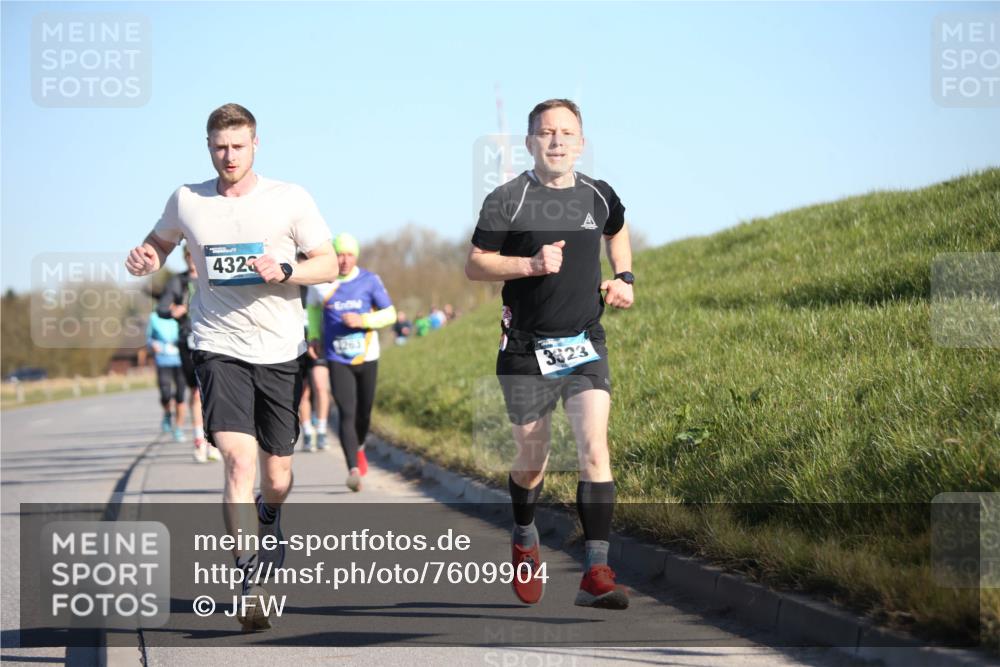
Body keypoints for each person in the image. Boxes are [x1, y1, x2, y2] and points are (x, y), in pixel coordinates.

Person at [125, 103, 337, 630]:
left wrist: (287, 268)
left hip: (280, 348)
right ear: (208, 147)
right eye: (220, 147)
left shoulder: (289, 198)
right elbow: (159, 242)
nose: (229, 156)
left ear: (255, 145)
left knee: (277, 475)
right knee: (239, 462)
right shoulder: (188, 199)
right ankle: (249, 577)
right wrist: (148, 256)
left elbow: (328, 262)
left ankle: (270, 515)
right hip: (217, 345)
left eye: (238, 146)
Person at [465, 99, 635, 610]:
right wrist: (530, 264)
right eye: (546, 133)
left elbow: (618, 230)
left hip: (583, 343)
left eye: (566, 132)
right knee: (533, 460)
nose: (557, 140)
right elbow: (476, 265)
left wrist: (623, 276)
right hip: (523, 349)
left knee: (594, 449)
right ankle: (523, 534)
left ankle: (596, 571)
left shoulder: (599, 195)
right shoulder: (507, 199)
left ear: (581, 143)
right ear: (530, 143)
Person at [309, 233, 395, 492]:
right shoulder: (321, 283)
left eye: (349, 255)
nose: (344, 260)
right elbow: (312, 309)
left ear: (356, 256)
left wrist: (364, 321)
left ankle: (358, 447)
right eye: (339, 254)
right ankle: (353, 470)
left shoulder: (370, 281)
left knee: (363, 413)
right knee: (346, 412)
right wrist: (314, 335)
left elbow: (389, 314)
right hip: (336, 357)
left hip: (367, 356)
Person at [157, 244, 218, 462]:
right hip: (189, 340)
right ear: (185, 257)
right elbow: (162, 309)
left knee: (214, 391)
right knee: (196, 393)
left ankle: (214, 440)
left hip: (215, 339)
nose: (193, 259)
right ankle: (200, 440)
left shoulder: (212, 276)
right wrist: (175, 311)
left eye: (196, 255)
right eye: (189, 255)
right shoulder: (178, 282)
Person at [300, 267, 334, 452]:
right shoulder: (288, 282)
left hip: (316, 340)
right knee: (302, 392)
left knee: (321, 387)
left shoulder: (319, 282)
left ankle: (321, 431)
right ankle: (307, 432)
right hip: (294, 342)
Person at [146, 311, 185, 442]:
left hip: (181, 361)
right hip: (163, 360)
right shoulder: (154, 317)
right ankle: (167, 413)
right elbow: (149, 338)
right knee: (165, 393)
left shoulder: (181, 313)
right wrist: (152, 345)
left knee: (180, 396)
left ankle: (178, 428)